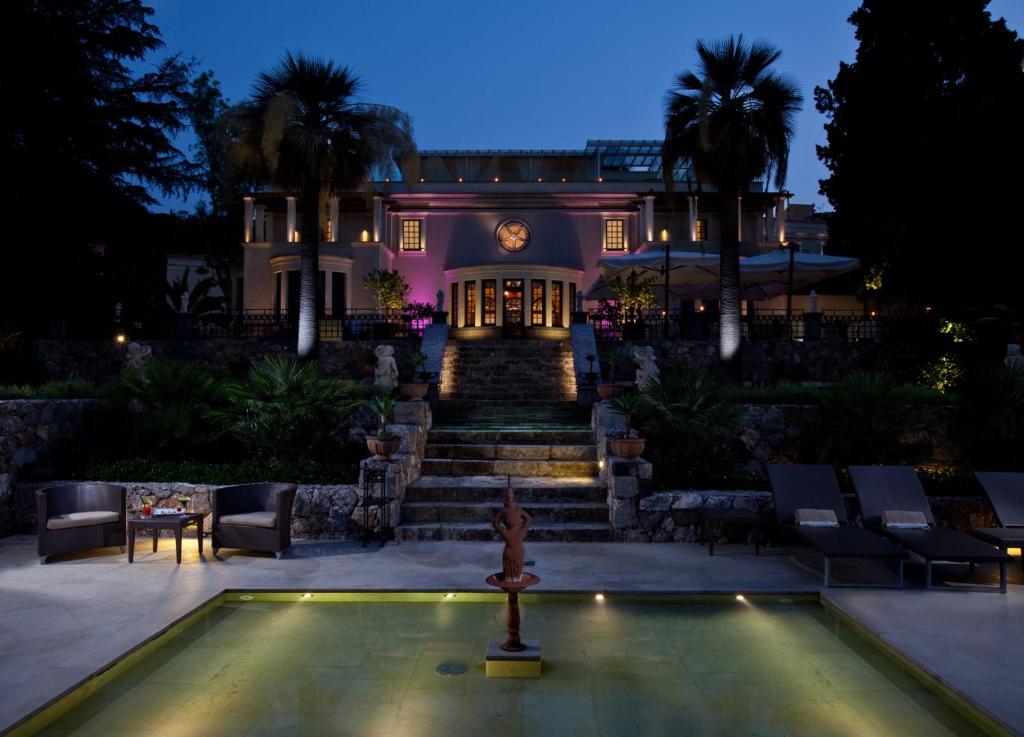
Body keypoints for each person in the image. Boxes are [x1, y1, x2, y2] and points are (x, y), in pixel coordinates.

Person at [492, 479, 531, 581]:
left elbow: (495, 523)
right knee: (516, 569)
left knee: (509, 570)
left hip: (509, 552)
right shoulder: (520, 531)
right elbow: (528, 519)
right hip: (518, 551)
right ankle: (515, 578)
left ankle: (511, 579)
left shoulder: (505, 531)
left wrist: (501, 528)